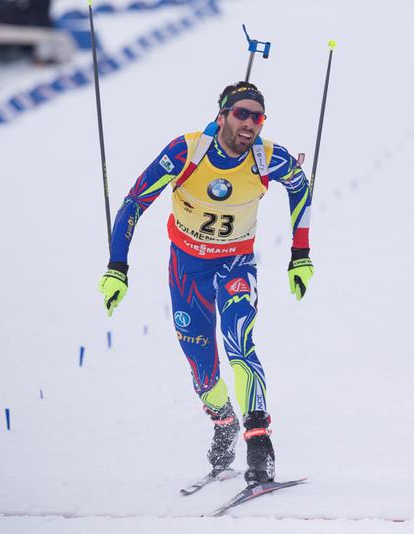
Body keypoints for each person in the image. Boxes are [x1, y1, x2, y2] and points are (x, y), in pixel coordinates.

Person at [99, 81, 314, 486]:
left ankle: (259, 441)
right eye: (242, 114)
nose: (251, 123)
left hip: (235, 265)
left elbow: (301, 188)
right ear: (223, 116)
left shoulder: (268, 158)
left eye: (258, 116)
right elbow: (134, 201)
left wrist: (299, 256)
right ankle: (223, 421)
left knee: (240, 342)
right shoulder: (188, 151)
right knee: (202, 365)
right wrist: (117, 267)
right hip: (187, 271)